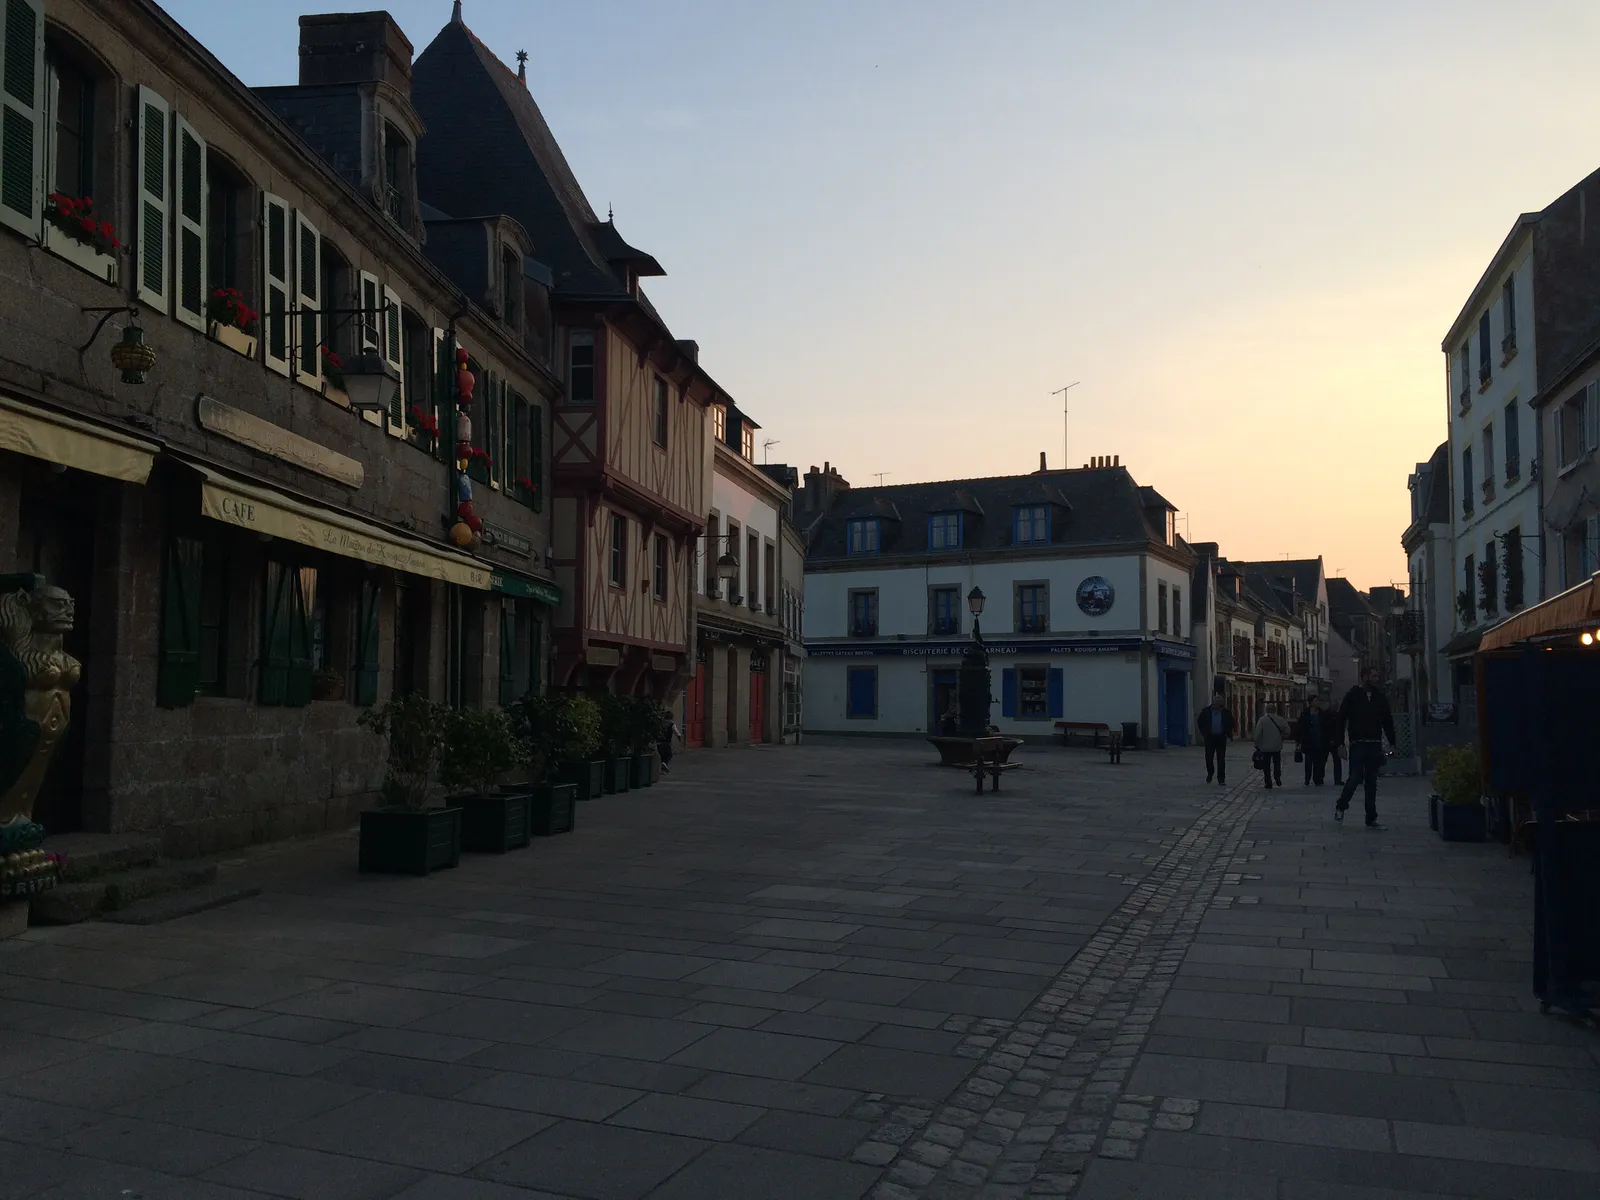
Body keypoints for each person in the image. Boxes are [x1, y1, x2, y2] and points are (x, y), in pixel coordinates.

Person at [1334, 666, 1397, 827]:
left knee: (1372, 782)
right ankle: (1341, 805)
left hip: (1374, 744)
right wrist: (1340, 743)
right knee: (1355, 777)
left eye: (1377, 676)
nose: (1376, 679)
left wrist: (1392, 743)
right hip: (1358, 743)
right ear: (1364, 677)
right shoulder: (1352, 695)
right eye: (1373, 676)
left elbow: (1387, 721)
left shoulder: (1379, 697)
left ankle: (1371, 817)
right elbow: (1341, 720)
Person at [1195, 691, 1234, 785]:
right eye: (1216, 702)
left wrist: (1228, 733)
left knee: (1221, 759)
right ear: (1213, 702)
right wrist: (1204, 733)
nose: (1218, 704)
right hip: (1210, 738)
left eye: (1220, 702)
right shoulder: (1206, 711)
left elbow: (1231, 723)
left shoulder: (1226, 712)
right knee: (1209, 757)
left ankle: (1221, 779)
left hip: (1221, 737)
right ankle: (1210, 773)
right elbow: (1200, 722)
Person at [1251, 701, 1291, 789]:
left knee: (1266, 765)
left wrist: (1256, 743)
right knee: (1277, 763)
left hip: (1265, 747)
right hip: (1277, 746)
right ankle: (1277, 777)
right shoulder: (1280, 719)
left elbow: (1257, 734)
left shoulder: (1262, 720)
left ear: (1266, 710)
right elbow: (1288, 730)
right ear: (1275, 710)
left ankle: (1268, 782)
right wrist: (1284, 736)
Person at [1295, 696, 1331, 786]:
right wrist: (1298, 741)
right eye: (1316, 701)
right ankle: (1307, 778)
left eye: (1318, 700)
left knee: (1318, 762)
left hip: (1320, 741)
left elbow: (1327, 727)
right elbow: (1300, 728)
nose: (1317, 702)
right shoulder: (1305, 714)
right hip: (1308, 741)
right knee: (1308, 762)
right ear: (1310, 702)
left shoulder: (1322, 713)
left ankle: (1317, 778)